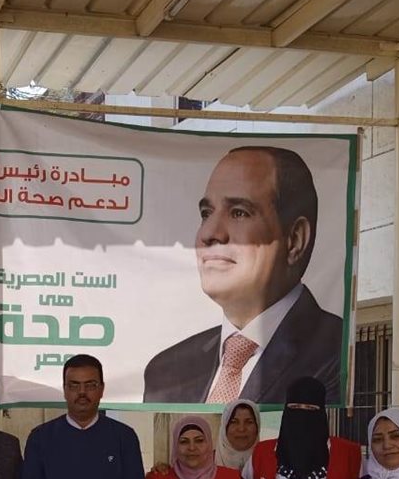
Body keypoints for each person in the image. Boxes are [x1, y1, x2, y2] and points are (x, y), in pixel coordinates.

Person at [143, 146, 342, 405]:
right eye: (206, 214)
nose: (209, 233)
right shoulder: (165, 371)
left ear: (294, 239)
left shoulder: (338, 353)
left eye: (239, 212)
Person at [216, 398, 261, 470]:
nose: (241, 429)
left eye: (249, 422)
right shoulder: (205, 462)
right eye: (234, 422)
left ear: (257, 427)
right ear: (224, 428)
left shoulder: (271, 462)